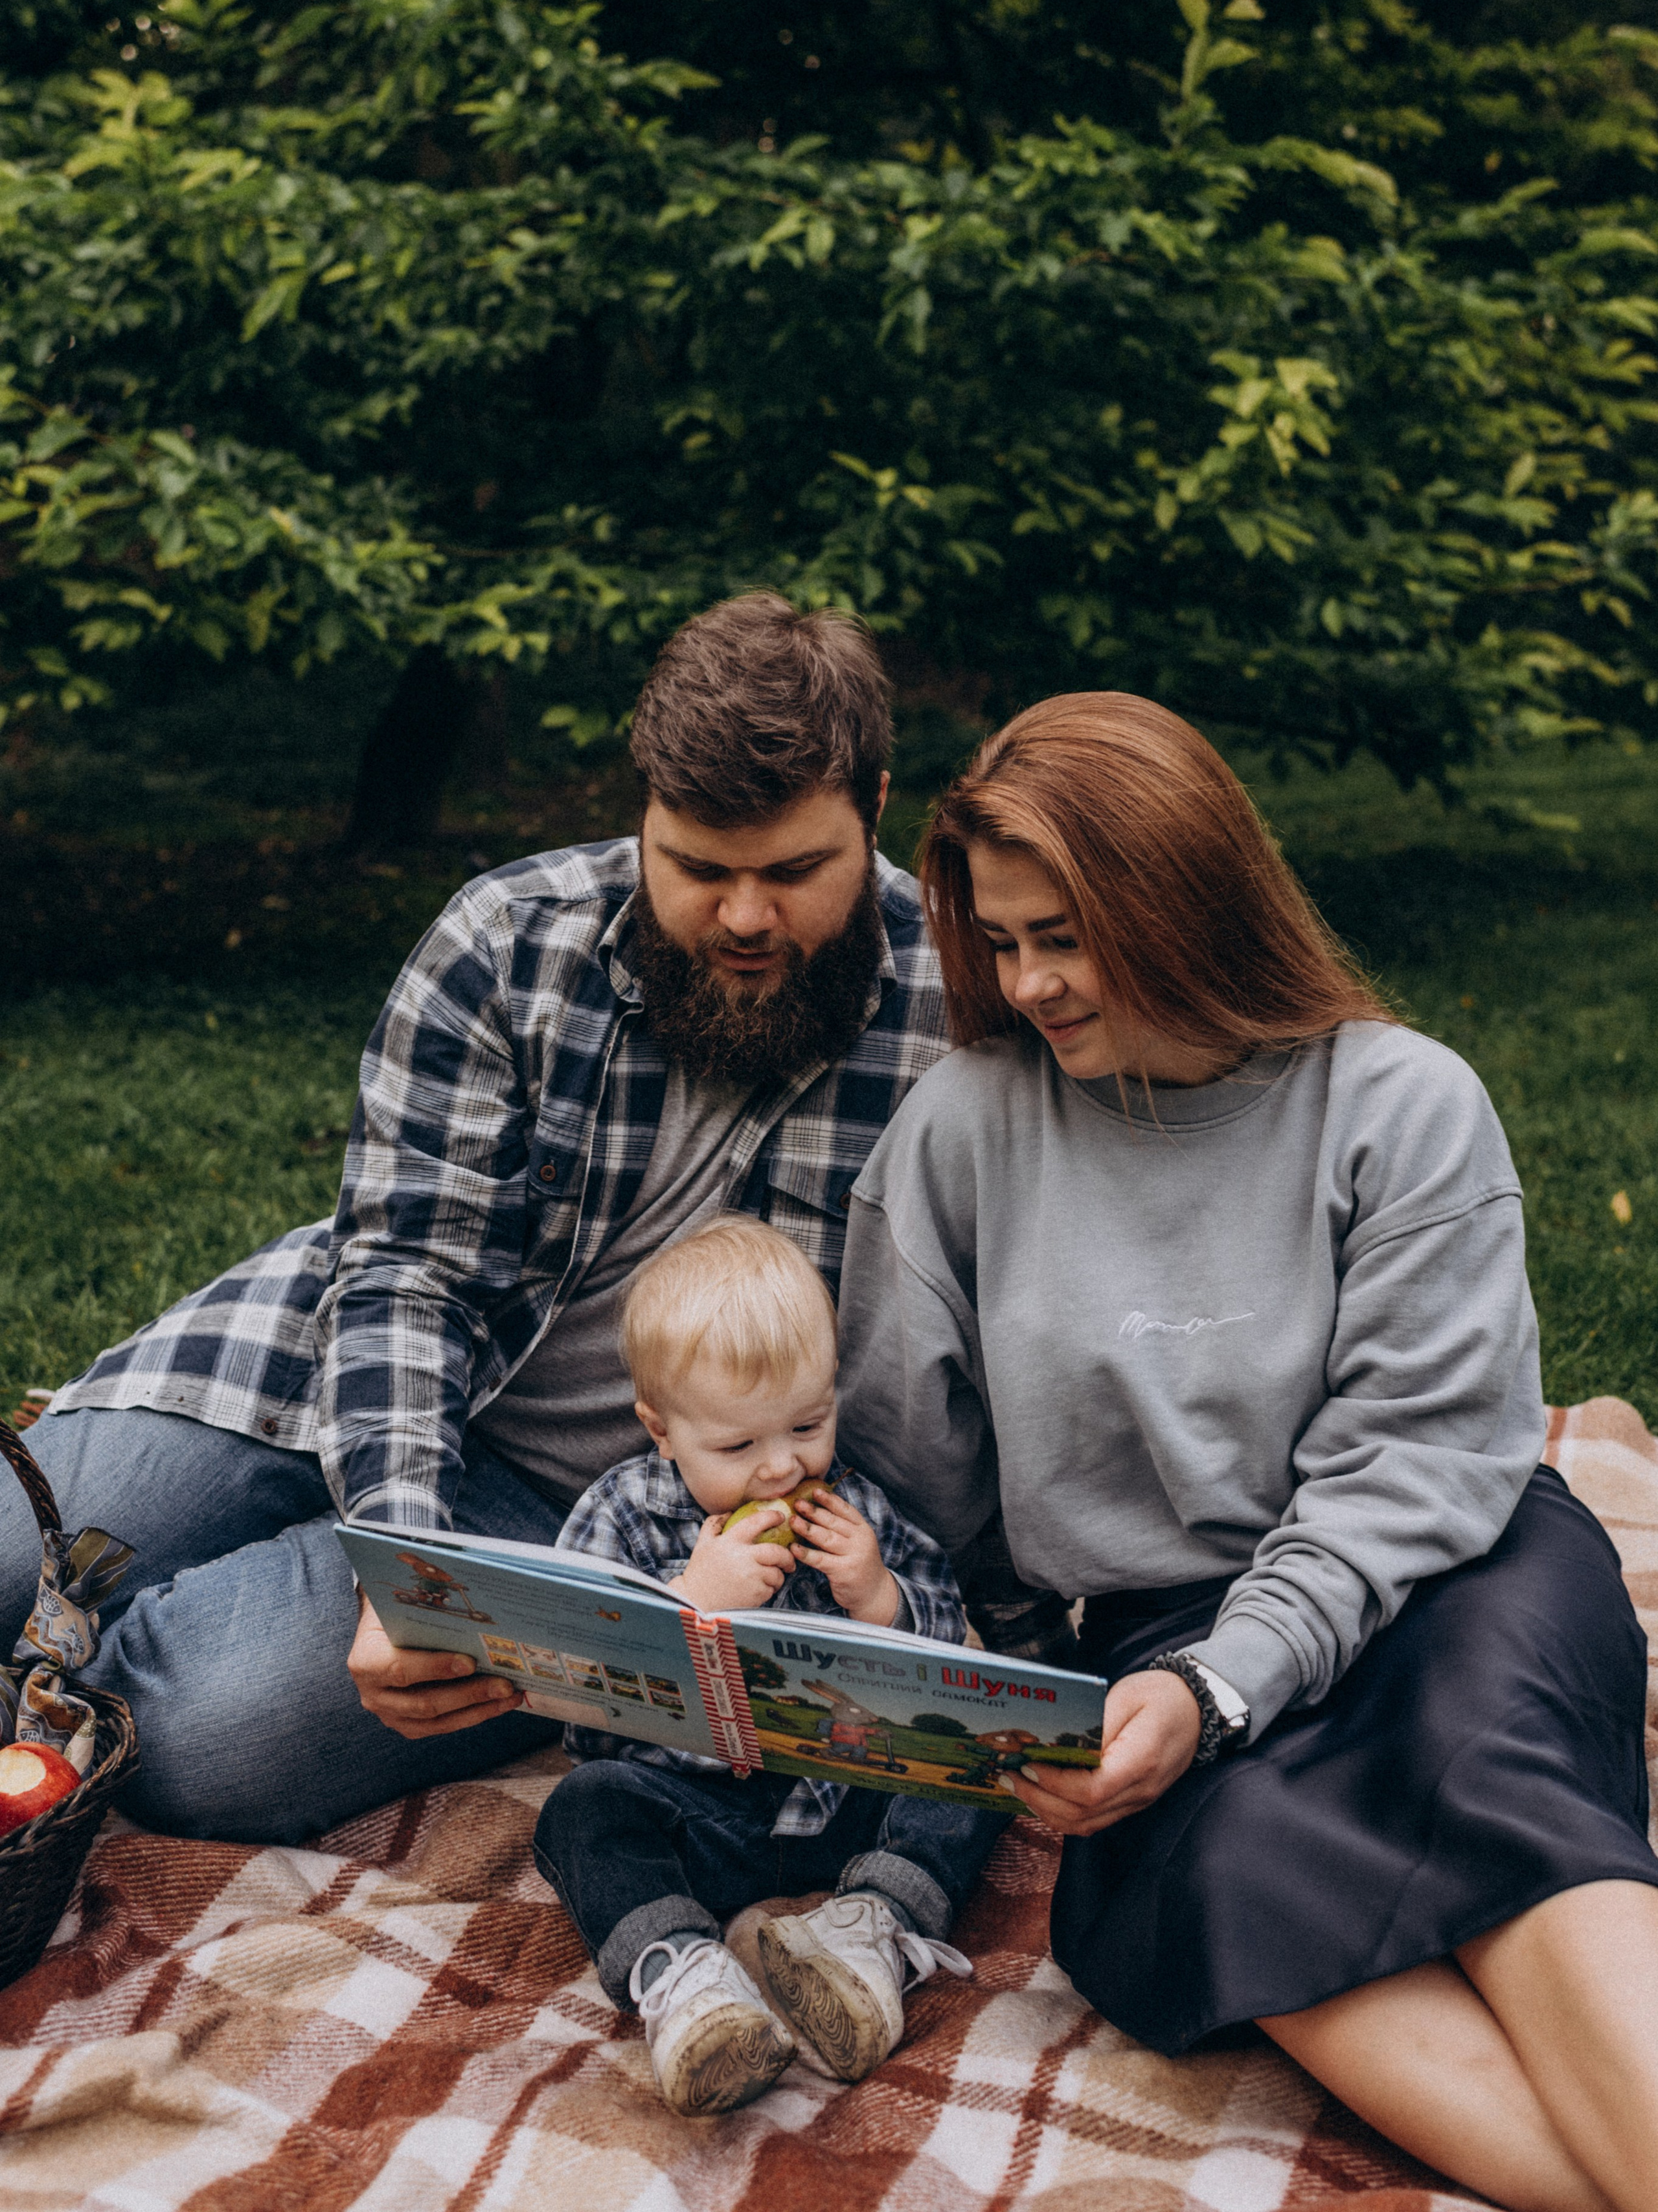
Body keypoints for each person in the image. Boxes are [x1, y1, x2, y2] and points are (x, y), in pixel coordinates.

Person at [835, 691, 1658, 2212]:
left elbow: (1418, 1461)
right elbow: (916, 1481)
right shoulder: (958, 1134)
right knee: (1231, 1873)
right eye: (1000, 941)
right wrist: (1012, 1692)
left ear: (1181, 898)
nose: (1025, 984)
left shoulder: (1399, 1103)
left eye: (1060, 936)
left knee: (1478, 1765)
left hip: (1448, 1568)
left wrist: (1228, 1682)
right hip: (1161, 1637)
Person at [1, 595, 951, 1845]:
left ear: (875, 808)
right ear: (643, 813)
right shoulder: (509, 941)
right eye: (700, 869)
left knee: (189, 1740)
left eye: (791, 873)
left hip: (594, 1514)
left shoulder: (959, 1007)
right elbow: (402, 1280)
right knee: (8, 1556)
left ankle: (91, 1675)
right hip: (313, 1371)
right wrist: (404, 1563)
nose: (743, 918)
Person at [534, 1214, 999, 2116]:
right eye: (738, 1448)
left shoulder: (851, 1503)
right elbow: (571, 1689)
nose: (782, 1469)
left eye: (807, 1424)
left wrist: (878, 1596)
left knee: (976, 1768)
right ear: (661, 1432)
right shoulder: (624, 1516)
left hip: (845, 1795)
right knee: (582, 1812)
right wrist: (689, 1601)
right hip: (699, 1811)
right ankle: (687, 1979)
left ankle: (868, 1936)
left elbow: (947, 1647)